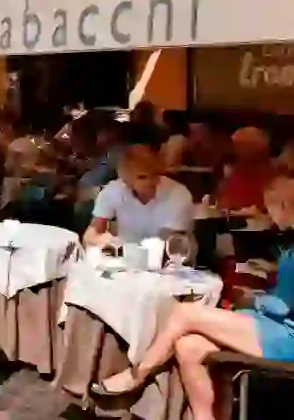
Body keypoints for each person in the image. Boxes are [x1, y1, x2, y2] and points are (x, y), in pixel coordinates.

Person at [91, 177, 294, 419]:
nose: (267, 214)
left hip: (286, 337)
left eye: (270, 206)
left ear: (284, 205)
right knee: (188, 346)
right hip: (278, 326)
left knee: (185, 313)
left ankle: (137, 374)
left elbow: (282, 307)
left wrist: (253, 300)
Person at [83, 144, 194, 246]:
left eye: (155, 175)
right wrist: (105, 241)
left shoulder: (178, 193)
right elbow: (91, 235)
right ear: (126, 179)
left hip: (173, 261)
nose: (150, 181)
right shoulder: (113, 190)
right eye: (142, 177)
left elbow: (172, 243)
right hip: (127, 261)